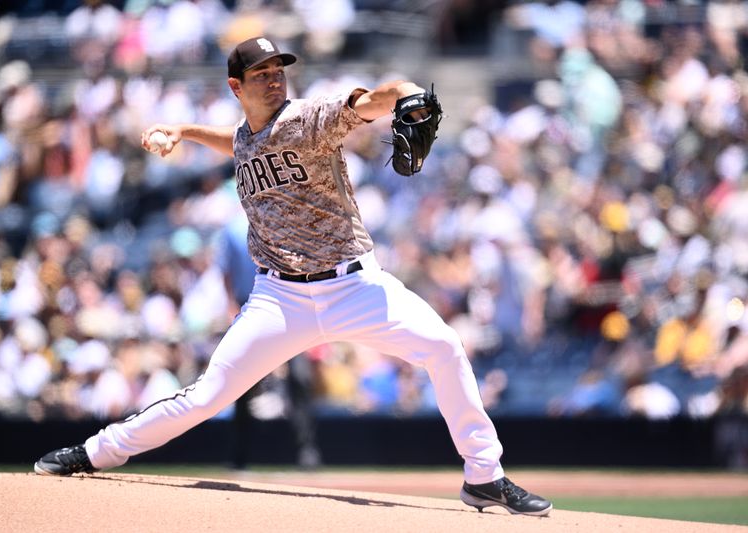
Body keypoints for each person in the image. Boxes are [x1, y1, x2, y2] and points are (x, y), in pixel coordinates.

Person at [34, 36, 552, 517]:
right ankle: (95, 451)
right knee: (205, 396)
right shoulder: (244, 138)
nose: (274, 78)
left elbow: (377, 99)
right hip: (279, 298)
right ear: (236, 86)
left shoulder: (310, 119)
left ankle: (484, 476)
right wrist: (184, 131)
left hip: (355, 287)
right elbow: (237, 142)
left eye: (277, 69)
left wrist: (409, 95)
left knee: (444, 347)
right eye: (260, 73)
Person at [219, 213, 321, 470]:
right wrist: (232, 305)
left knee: (299, 378)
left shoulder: (284, 217)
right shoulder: (232, 229)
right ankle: (239, 454)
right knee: (242, 381)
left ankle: (306, 450)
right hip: (250, 304)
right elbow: (226, 272)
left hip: (289, 304)